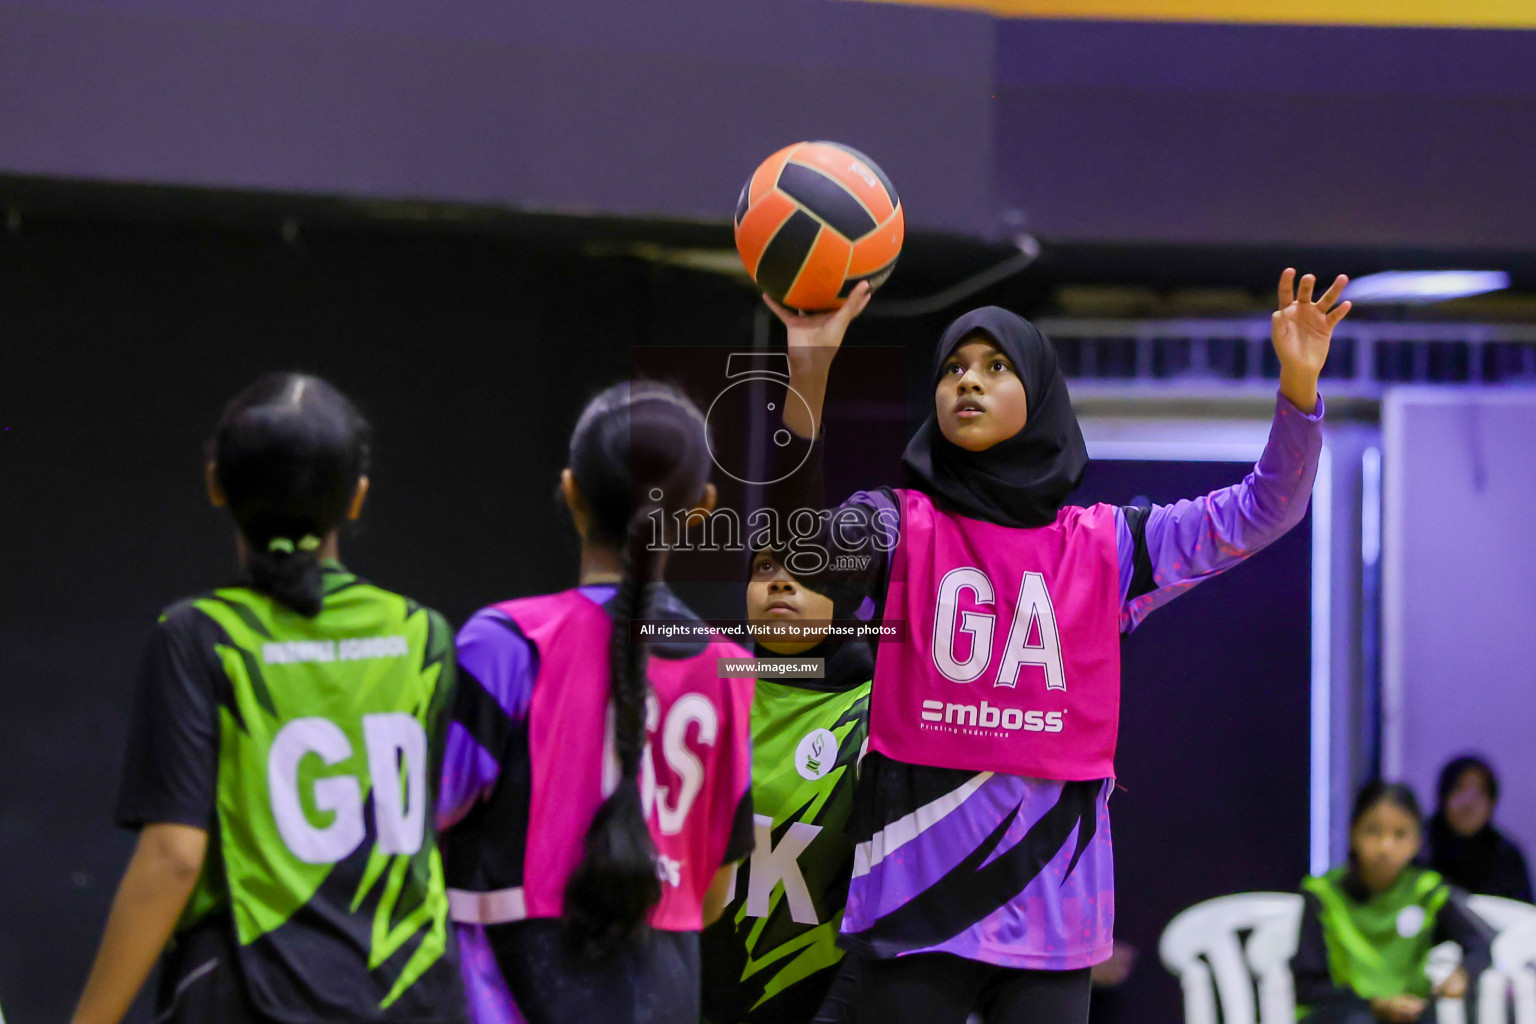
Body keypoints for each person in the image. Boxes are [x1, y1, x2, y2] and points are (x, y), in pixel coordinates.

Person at [750, 268, 1350, 1023]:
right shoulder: (898, 526)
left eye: (995, 367)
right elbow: (798, 564)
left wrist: (1299, 384)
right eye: (953, 368)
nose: (968, 382)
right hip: (913, 912)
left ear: (1038, 392)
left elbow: (1268, 509)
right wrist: (806, 379)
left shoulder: (1110, 547)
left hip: (1053, 931)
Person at [71, 373, 465, 1024]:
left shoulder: (199, 637)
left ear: (215, 484)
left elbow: (173, 856)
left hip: (252, 1001)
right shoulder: (423, 635)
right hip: (414, 1000)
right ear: (357, 499)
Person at [436, 381, 756, 1024]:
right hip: (668, 989)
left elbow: (422, 822)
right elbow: (716, 892)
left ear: (571, 491)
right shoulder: (732, 672)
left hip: (512, 983)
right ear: (702, 510)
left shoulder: (507, 642)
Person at [701, 548, 874, 1024]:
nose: (780, 581)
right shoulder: (703, 690)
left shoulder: (877, 718)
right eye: (765, 568)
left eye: (807, 567)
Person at [1292, 781, 1494, 1024]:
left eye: (1400, 834)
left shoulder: (1426, 890)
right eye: (1373, 831)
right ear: (1353, 833)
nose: (1385, 847)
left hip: (1409, 1012)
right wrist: (1374, 1004)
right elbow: (1307, 985)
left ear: (1417, 840)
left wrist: (1463, 973)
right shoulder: (1322, 893)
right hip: (1340, 1012)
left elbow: (1482, 943)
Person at [1423, 755, 1533, 903]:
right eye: (1459, 788)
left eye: (1479, 792)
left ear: (1492, 801)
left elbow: (1524, 917)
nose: (1468, 803)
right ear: (1443, 794)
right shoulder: (1420, 847)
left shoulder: (1507, 857)